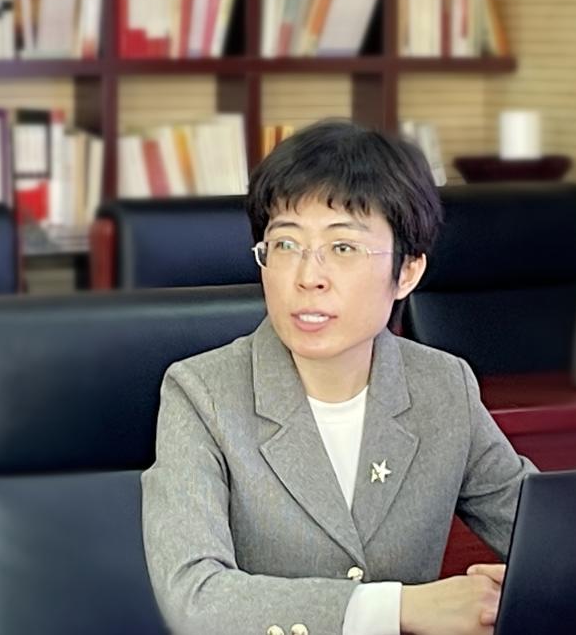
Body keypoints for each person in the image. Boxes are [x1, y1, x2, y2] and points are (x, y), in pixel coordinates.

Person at [142, 119, 536, 635]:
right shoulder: (202, 394)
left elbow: (545, 535)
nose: (308, 277)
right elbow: (195, 598)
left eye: (343, 248)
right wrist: (400, 608)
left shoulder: (443, 387)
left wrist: (535, 582)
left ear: (408, 271)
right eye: (286, 245)